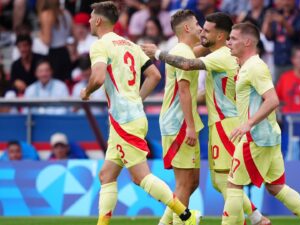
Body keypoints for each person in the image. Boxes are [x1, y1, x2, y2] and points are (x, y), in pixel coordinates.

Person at [142, 12, 270, 225]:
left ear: (220, 36)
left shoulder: (220, 56)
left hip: (224, 124)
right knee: (209, 182)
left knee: (221, 181)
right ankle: (255, 218)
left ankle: (254, 219)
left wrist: (158, 53)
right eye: (199, 26)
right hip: (216, 123)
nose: (202, 30)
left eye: (207, 30)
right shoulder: (222, 53)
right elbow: (193, 69)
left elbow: (187, 63)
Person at [79, 2, 200, 225]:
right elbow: (154, 75)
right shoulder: (130, 44)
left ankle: (186, 216)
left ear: (98, 20)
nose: (88, 21)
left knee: (140, 176)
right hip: (125, 119)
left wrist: (86, 92)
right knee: (106, 175)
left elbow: (96, 78)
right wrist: (136, 99)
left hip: (124, 120)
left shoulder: (100, 45)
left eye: (90, 17)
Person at [224, 22, 300, 225]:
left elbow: (273, 100)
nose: (228, 42)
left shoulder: (255, 67)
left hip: (256, 138)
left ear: (248, 42)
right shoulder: (248, 66)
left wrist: (248, 123)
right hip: (268, 135)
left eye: (233, 38)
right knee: (276, 186)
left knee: (233, 186)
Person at [157, 10, 204, 225]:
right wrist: (191, 128)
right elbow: (184, 91)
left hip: (183, 121)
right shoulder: (183, 53)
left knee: (192, 182)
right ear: (187, 28)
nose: (200, 27)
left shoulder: (185, 50)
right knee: (184, 184)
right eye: (197, 23)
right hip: (179, 124)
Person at [37, 0, 73, 82]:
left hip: (54, 55)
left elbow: (47, 41)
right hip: (65, 52)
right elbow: (73, 35)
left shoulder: (46, 14)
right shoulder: (66, 13)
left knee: (56, 83)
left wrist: (40, 34)